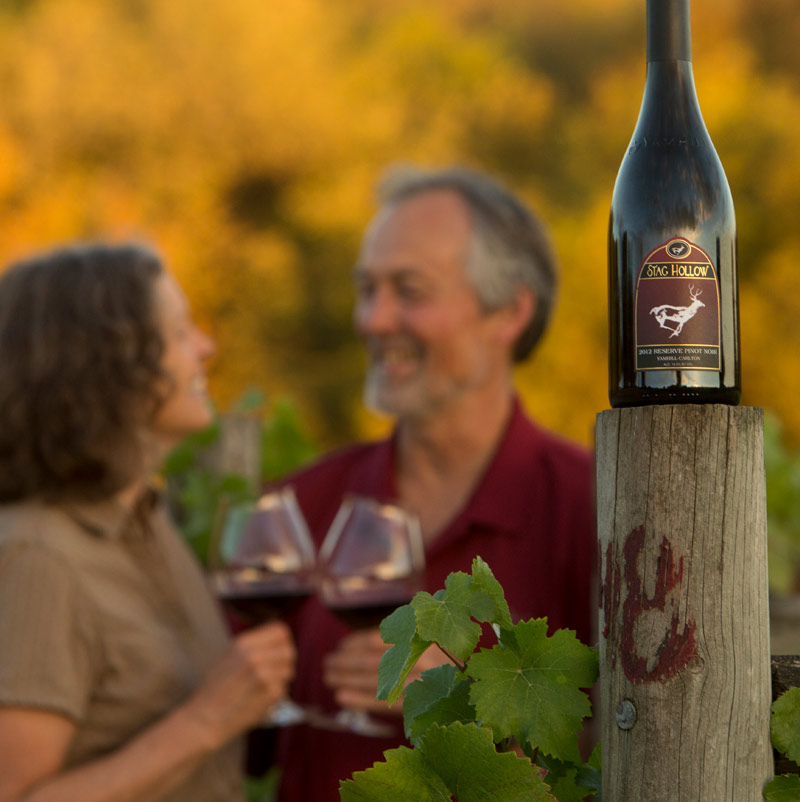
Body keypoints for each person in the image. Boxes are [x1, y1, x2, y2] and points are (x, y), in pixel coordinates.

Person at [271, 165, 596, 801]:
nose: (374, 319)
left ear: (509, 311)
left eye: (409, 291)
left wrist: (461, 700)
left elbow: (638, 755)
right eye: (367, 290)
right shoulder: (302, 507)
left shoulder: (595, 508)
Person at [0, 243, 296, 802]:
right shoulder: (38, 559)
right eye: (181, 333)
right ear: (109, 365)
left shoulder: (147, 522)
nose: (206, 348)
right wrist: (207, 721)